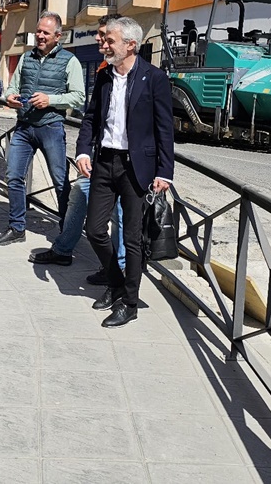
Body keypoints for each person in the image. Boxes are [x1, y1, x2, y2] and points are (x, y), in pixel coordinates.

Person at [76, 17, 175, 328]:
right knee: (94, 230)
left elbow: (164, 128)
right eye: (105, 41)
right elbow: (91, 118)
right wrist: (82, 150)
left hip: (136, 167)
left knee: (132, 239)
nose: (105, 45)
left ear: (131, 45)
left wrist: (165, 171)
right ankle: (117, 284)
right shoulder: (104, 76)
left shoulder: (154, 78)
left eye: (111, 41)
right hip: (104, 161)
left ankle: (128, 303)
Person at [29, 14, 125, 283]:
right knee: (79, 195)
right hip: (99, 158)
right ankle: (63, 250)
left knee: (119, 216)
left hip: (123, 162)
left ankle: (119, 271)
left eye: (103, 34)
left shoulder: (138, 74)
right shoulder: (105, 70)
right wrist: (84, 151)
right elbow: (92, 116)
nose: (98, 38)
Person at [0, 12, 85, 246]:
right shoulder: (25, 58)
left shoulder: (69, 61)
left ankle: (66, 231)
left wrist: (50, 100)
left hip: (51, 127)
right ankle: (16, 227)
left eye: (46, 32)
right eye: (39, 31)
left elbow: (79, 97)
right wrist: (10, 97)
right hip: (24, 127)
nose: (40, 36)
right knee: (13, 175)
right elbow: (12, 86)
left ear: (58, 36)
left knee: (60, 180)